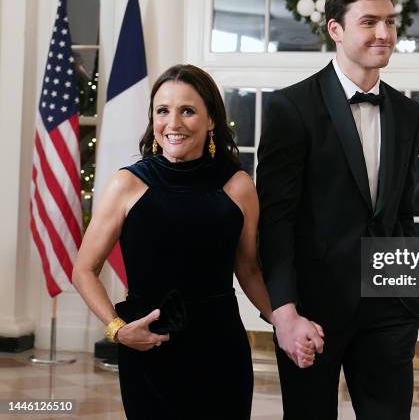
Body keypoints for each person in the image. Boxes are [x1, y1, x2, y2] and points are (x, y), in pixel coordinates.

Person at [72, 64, 316, 419]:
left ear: (211, 119)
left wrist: (284, 322)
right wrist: (117, 329)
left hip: (221, 347)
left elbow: (248, 269)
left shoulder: (238, 186)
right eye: (163, 111)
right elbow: (84, 269)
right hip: (149, 346)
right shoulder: (126, 184)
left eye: (187, 110)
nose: (173, 123)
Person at [257, 0, 419, 419]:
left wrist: (410, 292)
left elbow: (402, 213)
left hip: (391, 307)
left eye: (389, 22)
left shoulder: (408, 114)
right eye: (369, 22)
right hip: (315, 309)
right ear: (336, 29)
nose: (384, 34)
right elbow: (276, 222)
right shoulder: (290, 108)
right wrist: (284, 312)